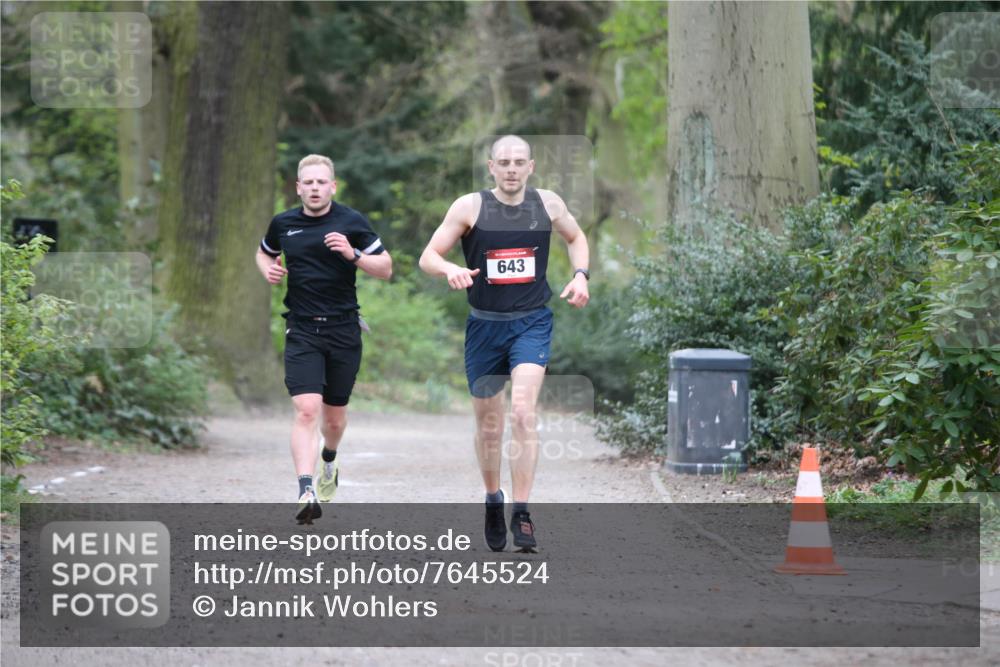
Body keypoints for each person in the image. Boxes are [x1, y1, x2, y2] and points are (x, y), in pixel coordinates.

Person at [419, 135, 589, 551]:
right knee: (489, 426)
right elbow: (428, 257)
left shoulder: (548, 203)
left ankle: (523, 512)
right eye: (503, 162)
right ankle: (493, 498)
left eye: (519, 162)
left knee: (522, 413)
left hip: (531, 324)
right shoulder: (469, 207)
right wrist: (449, 270)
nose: (511, 169)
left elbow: (576, 238)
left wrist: (581, 274)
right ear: (491, 167)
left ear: (531, 167)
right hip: (484, 328)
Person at [256, 154, 392, 524]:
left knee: (333, 421)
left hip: (344, 330)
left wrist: (354, 254)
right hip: (301, 329)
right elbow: (264, 252)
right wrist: (269, 270)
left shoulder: (351, 222)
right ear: (298, 187)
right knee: (306, 410)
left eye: (321, 183)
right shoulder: (283, 223)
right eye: (308, 183)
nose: (315, 188)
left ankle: (328, 461)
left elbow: (386, 268)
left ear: (332, 186)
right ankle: (305, 489)